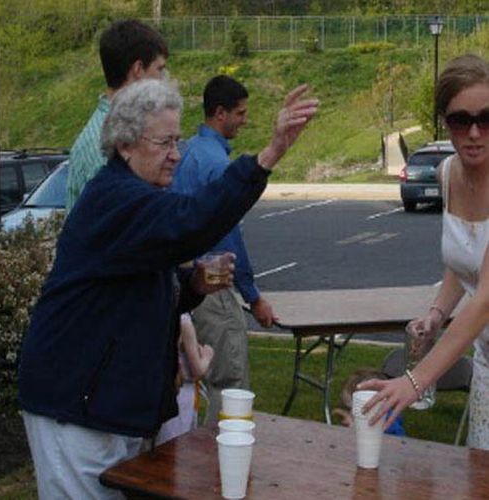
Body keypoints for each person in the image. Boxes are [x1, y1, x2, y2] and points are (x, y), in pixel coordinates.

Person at [19, 78, 318, 498]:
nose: (176, 155)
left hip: (105, 405)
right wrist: (269, 155)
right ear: (125, 145)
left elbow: (132, 287)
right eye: (164, 143)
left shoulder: (133, 197)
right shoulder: (118, 198)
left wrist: (192, 283)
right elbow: (194, 219)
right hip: (75, 406)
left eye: (178, 141)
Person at [360, 54, 489, 449]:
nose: (473, 132)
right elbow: (462, 262)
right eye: (459, 120)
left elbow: (485, 298)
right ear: (443, 123)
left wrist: (415, 381)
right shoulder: (446, 174)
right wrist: (436, 314)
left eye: (487, 118)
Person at [171, 75, 277, 423]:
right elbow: (229, 238)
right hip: (213, 285)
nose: (245, 120)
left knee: (196, 380)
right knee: (228, 380)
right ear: (220, 113)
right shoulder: (217, 165)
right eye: (240, 113)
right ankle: (222, 462)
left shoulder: (186, 152)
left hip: (188, 284)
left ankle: (193, 458)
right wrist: (253, 295)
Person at [66, 18, 169, 212]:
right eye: (159, 69)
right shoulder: (105, 143)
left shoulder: (121, 129)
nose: (163, 80)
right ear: (138, 69)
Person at [156, 313, 214, 445]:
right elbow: (197, 370)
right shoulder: (185, 322)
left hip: (167, 390)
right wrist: (207, 356)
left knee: (165, 440)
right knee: (179, 441)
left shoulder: (168, 316)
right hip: (183, 393)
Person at [332, 368, 405, 436]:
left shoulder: (388, 419)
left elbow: (397, 438)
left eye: (354, 405)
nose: (353, 411)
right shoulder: (368, 411)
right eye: (349, 408)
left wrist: (353, 426)